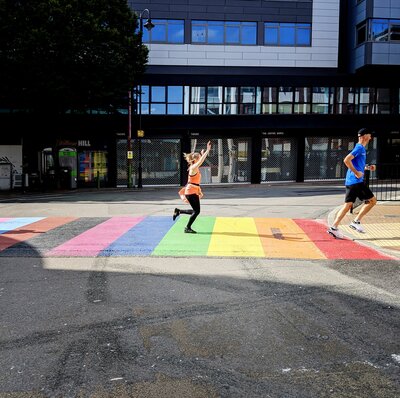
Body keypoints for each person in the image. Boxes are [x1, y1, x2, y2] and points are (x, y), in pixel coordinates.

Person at [327, 128, 377, 239]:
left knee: (347, 205)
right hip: (356, 182)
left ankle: (334, 228)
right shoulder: (359, 148)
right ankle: (356, 221)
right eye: (369, 135)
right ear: (364, 136)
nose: (371, 137)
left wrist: (368, 167)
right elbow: (346, 160)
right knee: (372, 201)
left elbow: (357, 164)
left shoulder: (361, 148)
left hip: (351, 181)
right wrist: (357, 173)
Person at [173, 141, 212, 233]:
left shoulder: (195, 167)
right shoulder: (193, 167)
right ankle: (187, 227)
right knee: (197, 211)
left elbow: (201, 161)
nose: (200, 160)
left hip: (193, 190)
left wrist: (203, 154)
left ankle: (179, 211)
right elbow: (201, 161)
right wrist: (207, 150)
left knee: (196, 211)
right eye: (199, 158)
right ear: (195, 160)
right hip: (191, 191)